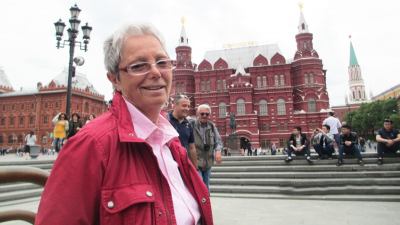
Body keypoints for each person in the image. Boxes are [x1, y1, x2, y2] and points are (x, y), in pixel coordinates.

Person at [36, 23, 213, 225]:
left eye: (162, 62)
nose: (156, 72)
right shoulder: (90, 146)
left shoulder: (171, 144)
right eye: (139, 66)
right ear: (115, 79)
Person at [191, 104, 223, 191]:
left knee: (206, 187)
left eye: (207, 114)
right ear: (197, 114)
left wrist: (218, 151)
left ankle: (206, 204)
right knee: (200, 185)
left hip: (208, 162)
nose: (204, 116)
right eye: (202, 114)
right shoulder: (191, 125)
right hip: (195, 162)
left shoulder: (212, 126)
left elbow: (218, 141)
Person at [167, 94, 197, 166]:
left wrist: (195, 167)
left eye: (188, 106)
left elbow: (192, 147)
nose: (187, 108)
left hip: (183, 165)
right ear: (174, 106)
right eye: (184, 105)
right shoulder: (165, 121)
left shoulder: (188, 124)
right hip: (168, 165)